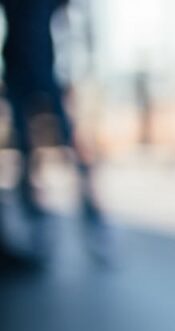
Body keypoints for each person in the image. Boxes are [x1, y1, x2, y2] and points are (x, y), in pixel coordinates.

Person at [1, 0, 110, 265]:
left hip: (45, 75)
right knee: (27, 154)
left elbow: (73, 21)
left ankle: (93, 220)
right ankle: (36, 221)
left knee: (70, 144)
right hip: (18, 77)